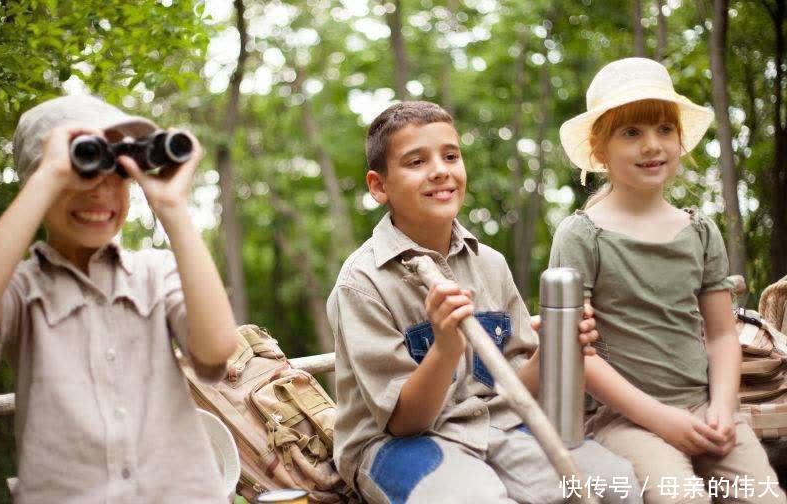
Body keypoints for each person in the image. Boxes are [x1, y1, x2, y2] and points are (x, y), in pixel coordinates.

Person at [327, 100, 642, 504]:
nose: (440, 170)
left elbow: (513, 390)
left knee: (616, 482)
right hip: (396, 445)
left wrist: (553, 352)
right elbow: (405, 423)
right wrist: (445, 347)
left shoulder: (489, 264)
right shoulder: (362, 283)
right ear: (379, 186)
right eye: (416, 161)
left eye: (450, 156)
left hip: (494, 424)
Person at [552, 57, 786, 503]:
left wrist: (721, 406)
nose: (651, 145)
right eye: (631, 133)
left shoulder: (700, 231)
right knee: (681, 497)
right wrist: (662, 419)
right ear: (600, 150)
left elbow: (720, 335)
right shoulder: (582, 236)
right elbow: (577, 355)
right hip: (625, 419)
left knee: (765, 497)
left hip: (707, 407)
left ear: (680, 140)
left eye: (664, 129)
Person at [0, 95, 238, 503]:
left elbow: (217, 346)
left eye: (118, 169)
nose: (101, 189)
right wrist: (50, 174)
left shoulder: (156, 273)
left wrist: (173, 209)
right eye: (84, 165)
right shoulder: (20, 288)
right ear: (39, 178)